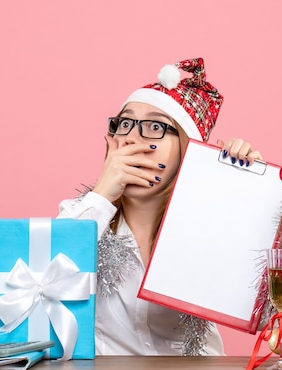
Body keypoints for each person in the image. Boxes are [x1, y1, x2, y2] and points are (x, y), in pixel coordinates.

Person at [57, 58, 262, 356]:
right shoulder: (82, 214)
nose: (131, 138)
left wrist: (247, 193)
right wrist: (102, 194)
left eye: (155, 126)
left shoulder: (207, 223)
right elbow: (45, 280)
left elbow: (272, 309)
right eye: (124, 123)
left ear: (186, 148)